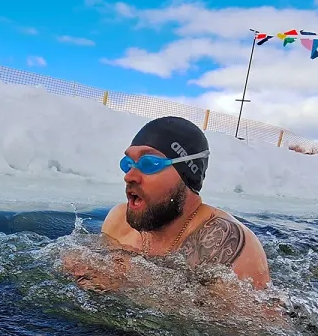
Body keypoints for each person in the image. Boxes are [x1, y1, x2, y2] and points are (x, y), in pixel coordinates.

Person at [92, 116, 271, 289]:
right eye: (128, 163)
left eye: (149, 163)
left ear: (188, 174)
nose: (129, 176)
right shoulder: (119, 220)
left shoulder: (225, 241)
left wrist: (128, 283)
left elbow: (255, 318)